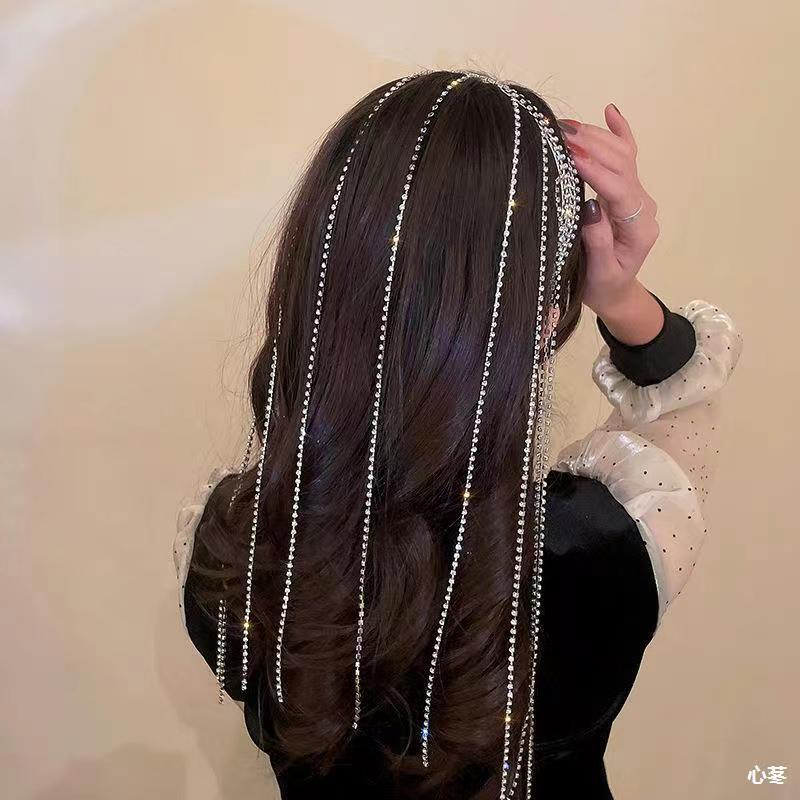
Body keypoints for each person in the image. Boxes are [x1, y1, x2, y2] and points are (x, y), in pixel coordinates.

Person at [173, 71, 742, 799]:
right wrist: (621, 296)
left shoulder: (228, 553)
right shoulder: (611, 542)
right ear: (544, 316)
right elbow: (683, 409)